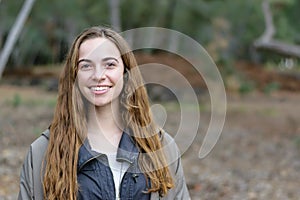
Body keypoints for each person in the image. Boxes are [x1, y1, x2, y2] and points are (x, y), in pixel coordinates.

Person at [18, 26, 190, 200]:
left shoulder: (161, 147)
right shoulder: (43, 153)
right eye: (86, 65)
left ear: (125, 72)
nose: (98, 75)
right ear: (74, 75)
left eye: (109, 65)